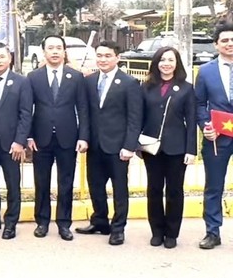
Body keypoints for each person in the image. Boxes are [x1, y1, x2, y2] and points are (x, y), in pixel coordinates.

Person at [76, 41, 143, 246]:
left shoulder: (129, 82)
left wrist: (130, 146)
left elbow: (134, 117)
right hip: (95, 145)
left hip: (118, 147)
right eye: (100, 55)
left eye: (107, 56)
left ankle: (118, 228)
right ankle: (100, 221)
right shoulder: (89, 81)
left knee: (119, 189)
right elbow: (85, 113)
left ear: (117, 58)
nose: (103, 59)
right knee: (95, 186)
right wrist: (84, 137)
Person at [27, 34, 89, 241]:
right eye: (50, 48)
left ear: (64, 52)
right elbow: (27, 109)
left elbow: (83, 109)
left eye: (58, 48)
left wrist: (83, 136)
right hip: (40, 138)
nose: (54, 52)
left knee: (66, 183)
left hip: (68, 138)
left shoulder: (76, 76)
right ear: (44, 52)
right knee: (41, 182)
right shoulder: (33, 77)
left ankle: (64, 224)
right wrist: (28, 136)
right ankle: (42, 222)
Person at [140, 46, 196, 249]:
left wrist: (191, 150)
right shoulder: (146, 87)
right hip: (151, 148)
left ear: (177, 63)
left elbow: (191, 120)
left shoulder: (187, 88)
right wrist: (137, 145)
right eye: (162, 60)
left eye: (170, 60)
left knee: (174, 191)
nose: (166, 64)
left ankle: (172, 233)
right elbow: (139, 117)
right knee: (154, 190)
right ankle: (157, 231)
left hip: (177, 148)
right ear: (156, 63)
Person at [0, 42, 32, 240]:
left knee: (12, 184)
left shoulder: (21, 82)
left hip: (11, 144)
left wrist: (20, 141)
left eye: (1, 57)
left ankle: (10, 223)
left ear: (9, 58)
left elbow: (26, 114)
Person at [196, 20, 233, 250]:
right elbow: (199, 103)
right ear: (216, 45)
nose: (230, 44)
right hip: (218, 137)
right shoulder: (206, 71)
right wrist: (205, 125)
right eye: (225, 40)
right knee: (214, 187)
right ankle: (212, 232)